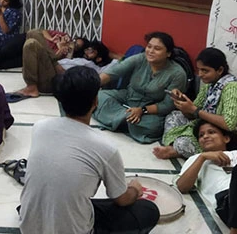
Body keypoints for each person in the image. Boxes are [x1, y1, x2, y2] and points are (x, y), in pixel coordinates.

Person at [19, 66, 159, 234]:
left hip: (28, 226)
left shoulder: (39, 127)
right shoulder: (106, 148)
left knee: (59, 199)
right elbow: (122, 200)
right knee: (147, 209)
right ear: (95, 102)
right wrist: (135, 189)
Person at [155, 47, 237, 159]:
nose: (200, 74)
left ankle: (177, 149)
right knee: (174, 116)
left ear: (220, 70)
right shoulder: (210, 85)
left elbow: (228, 124)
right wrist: (183, 104)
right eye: (199, 70)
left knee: (183, 143)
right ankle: (178, 149)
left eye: (205, 70)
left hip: (235, 140)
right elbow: (193, 115)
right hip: (213, 129)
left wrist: (194, 110)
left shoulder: (233, 88)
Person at [92, 32, 187, 143]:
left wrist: (142, 110)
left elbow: (167, 105)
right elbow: (113, 72)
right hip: (128, 96)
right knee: (100, 96)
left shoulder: (178, 74)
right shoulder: (140, 58)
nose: (150, 51)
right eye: (149, 46)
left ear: (168, 53)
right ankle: (126, 118)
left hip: (150, 110)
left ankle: (118, 118)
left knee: (154, 126)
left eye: (157, 49)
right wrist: (89, 86)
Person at [0, 29, 88, 76]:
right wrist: (52, 39)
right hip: (26, 39)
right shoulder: (61, 35)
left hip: (31, 54)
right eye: (75, 40)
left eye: (76, 46)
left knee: (3, 64)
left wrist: (59, 50)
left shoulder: (65, 54)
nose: (72, 43)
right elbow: (40, 31)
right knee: (2, 52)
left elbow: (51, 60)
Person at [11, 34, 108, 100]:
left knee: (31, 43)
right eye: (88, 48)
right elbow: (69, 51)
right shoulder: (76, 58)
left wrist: (111, 55)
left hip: (55, 78)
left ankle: (31, 87)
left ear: (99, 58)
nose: (87, 51)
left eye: (92, 51)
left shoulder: (93, 67)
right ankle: (54, 62)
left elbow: (117, 61)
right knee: (33, 33)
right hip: (52, 67)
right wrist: (60, 50)